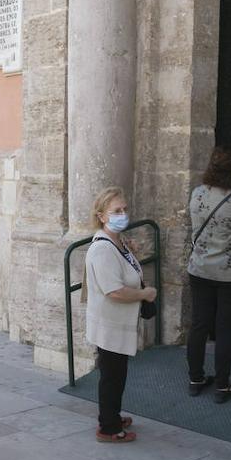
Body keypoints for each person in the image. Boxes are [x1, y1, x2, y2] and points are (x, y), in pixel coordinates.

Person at [83, 186, 155, 443]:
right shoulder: (102, 249)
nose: (122, 214)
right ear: (102, 216)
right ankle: (109, 427)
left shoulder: (118, 242)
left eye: (124, 209)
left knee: (116, 374)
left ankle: (111, 414)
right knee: (112, 377)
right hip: (110, 324)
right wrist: (144, 295)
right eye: (116, 211)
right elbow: (114, 291)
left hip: (117, 323)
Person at [186, 146, 231, 403]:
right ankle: (222, 386)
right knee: (225, 329)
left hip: (200, 269)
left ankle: (195, 379)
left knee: (199, 325)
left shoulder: (197, 194)